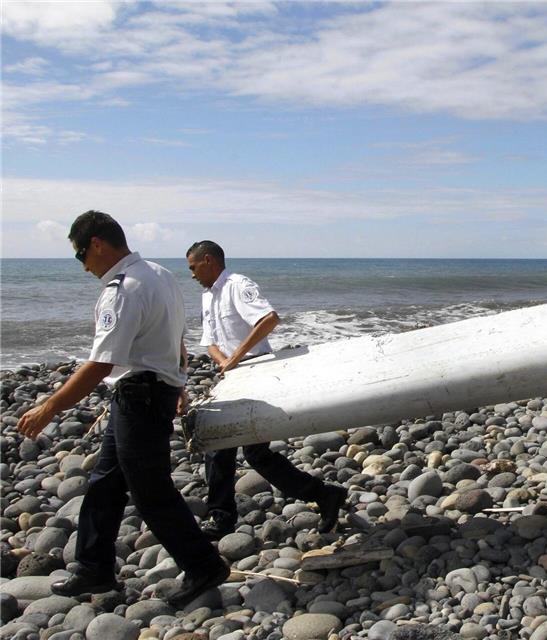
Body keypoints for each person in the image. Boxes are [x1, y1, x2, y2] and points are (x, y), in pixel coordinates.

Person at [17, 211, 228, 607]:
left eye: (81, 255)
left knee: (151, 491)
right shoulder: (159, 275)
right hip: (147, 392)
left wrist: (50, 406)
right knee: (105, 483)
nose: (83, 267)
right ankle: (94, 567)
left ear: (97, 244)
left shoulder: (124, 287)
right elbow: (174, 336)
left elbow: (100, 364)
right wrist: (178, 382)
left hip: (140, 397)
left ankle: (203, 565)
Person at [185, 241, 347, 540]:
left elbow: (268, 319)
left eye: (193, 267)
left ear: (208, 260)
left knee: (242, 449)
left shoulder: (237, 285)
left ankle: (223, 517)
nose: (192, 275)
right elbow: (209, 340)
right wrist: (224, 361)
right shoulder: (208, 296)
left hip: (256, 369)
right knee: (235, 449)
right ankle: (323, 496)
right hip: (232, 375)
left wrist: (236, 357)